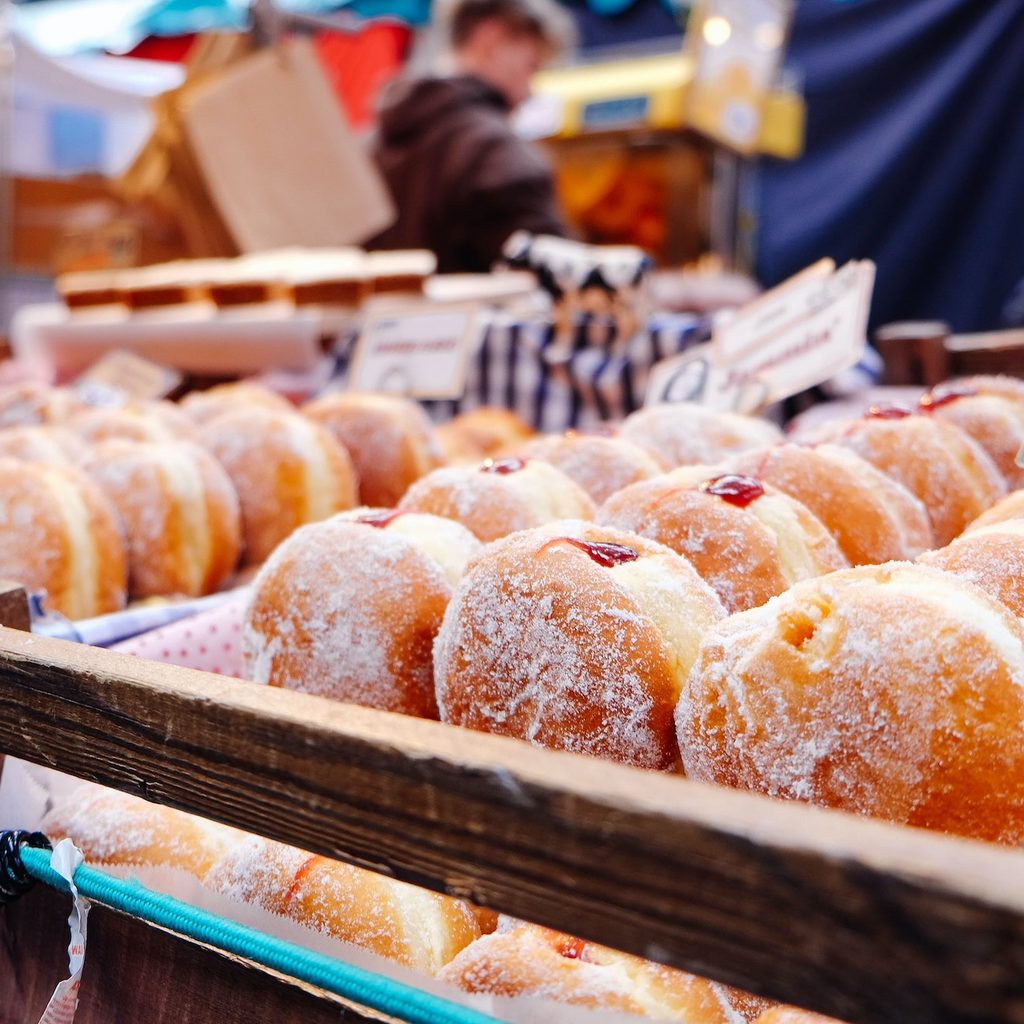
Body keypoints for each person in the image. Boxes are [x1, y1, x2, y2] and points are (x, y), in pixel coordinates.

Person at [367, 0, 574, 273]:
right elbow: (559, 278)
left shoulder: (373, 143)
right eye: (532, 67)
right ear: (490, 37)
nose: (529, 93)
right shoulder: (497, 152)